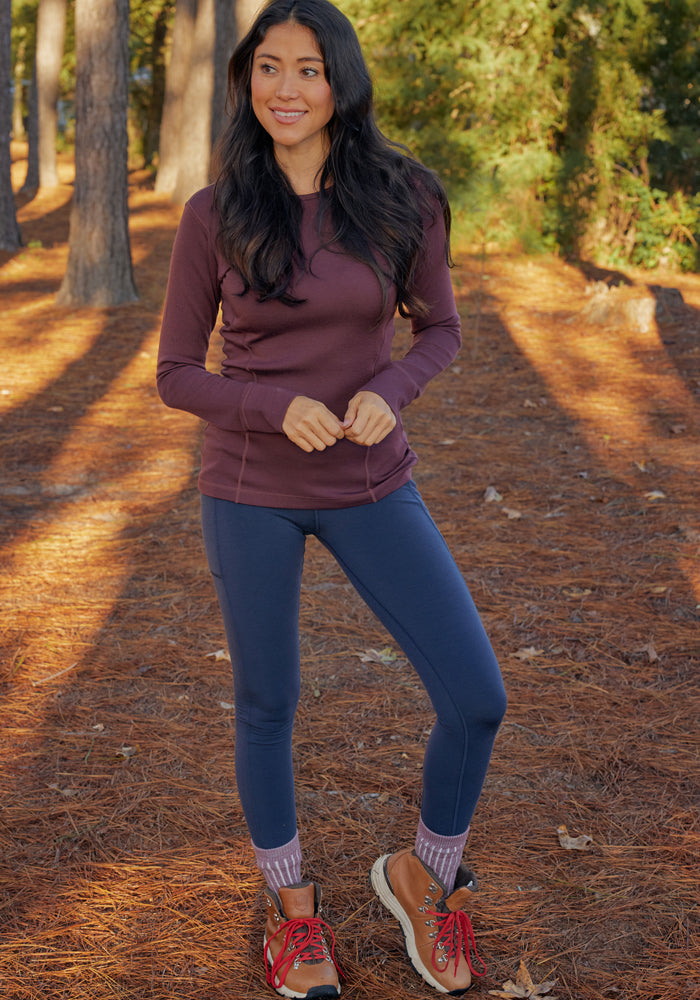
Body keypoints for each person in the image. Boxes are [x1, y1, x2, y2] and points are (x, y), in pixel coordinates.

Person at [156, 0, 507, 996]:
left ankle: (423, 877)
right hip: (249, 488)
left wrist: (383, 394)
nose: (285, 88)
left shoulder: (406, 196)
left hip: (368, 482)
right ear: (246, 82)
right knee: (269, 701)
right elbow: (177, 373)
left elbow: (438, 330)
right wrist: (270, 406)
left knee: (477, 697)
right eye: (267, 67)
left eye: (307, 69)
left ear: (341, 82)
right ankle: (291, 911)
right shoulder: (213, 213)